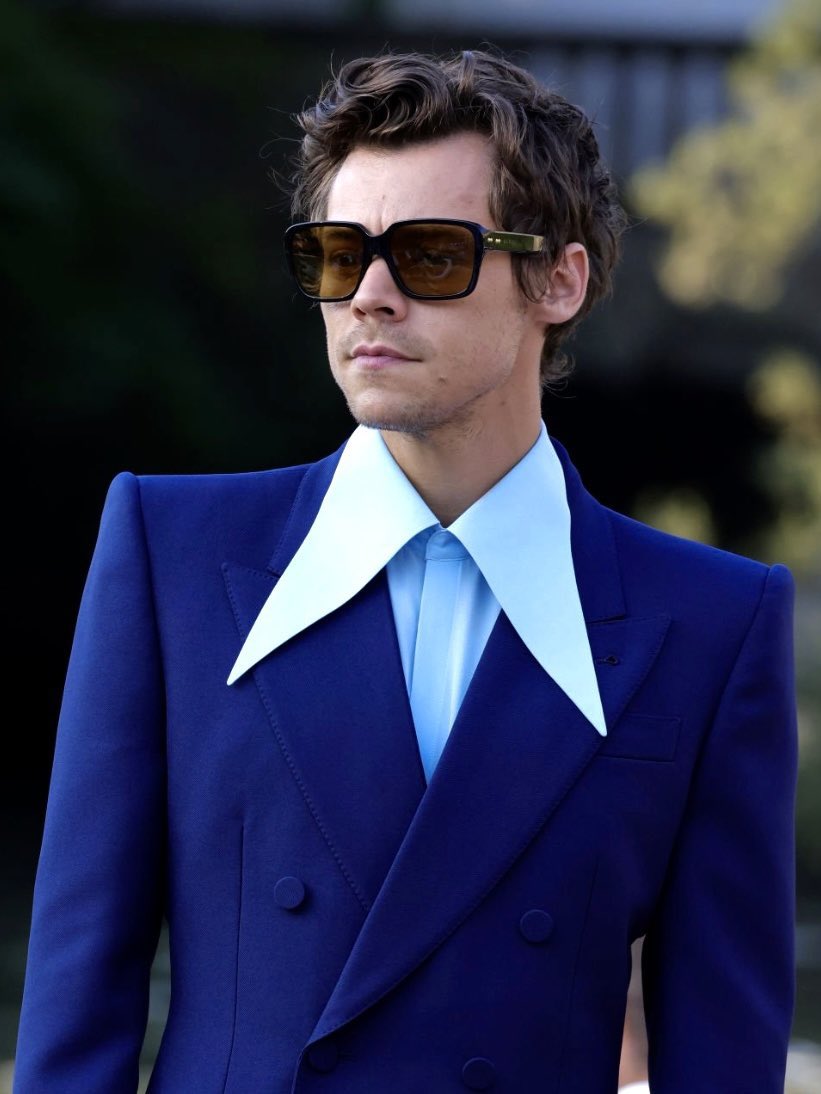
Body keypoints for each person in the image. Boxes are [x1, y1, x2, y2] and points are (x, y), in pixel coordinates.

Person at [14, 49, 797, 1093]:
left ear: (557, 280)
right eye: (338, 253)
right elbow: (78, 1012)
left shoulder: (709, 623)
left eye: (429, 254)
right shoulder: (172, 554)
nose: (370, 296)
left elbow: (722, 1061)